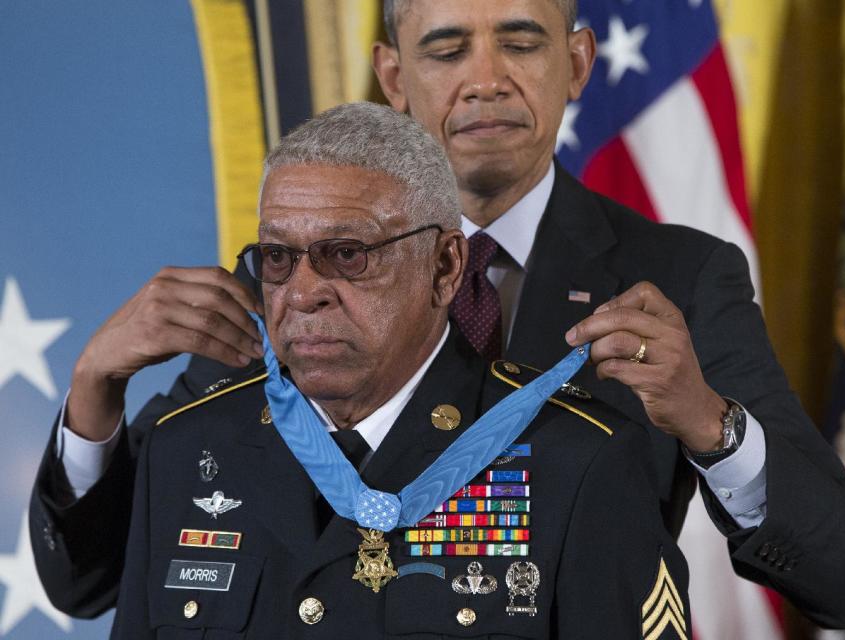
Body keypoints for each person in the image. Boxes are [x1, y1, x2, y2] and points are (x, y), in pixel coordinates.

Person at [31, 0, 845, 629]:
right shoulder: (290, 286)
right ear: (395, 77)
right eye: (447, 49)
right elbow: (92, 583)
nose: (486, 80)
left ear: (580, 61)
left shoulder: (677, 277)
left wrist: (712, 425)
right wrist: (92, 397)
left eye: (520, 41)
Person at [107, 102, 690, 639]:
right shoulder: (184, 449)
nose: (303, 294)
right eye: (279, 258)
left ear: (444, 267)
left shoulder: (579, 462)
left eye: (347, 255)